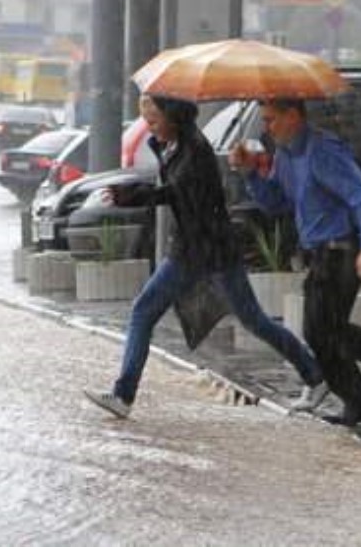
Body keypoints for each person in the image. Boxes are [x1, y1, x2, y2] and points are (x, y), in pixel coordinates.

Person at [83, 95, 328, 419]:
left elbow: (176, 192)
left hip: (201, 250)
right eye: (147, 122)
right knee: (253, 319)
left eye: (154, 121)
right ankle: (314, 374)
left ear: (172, 117)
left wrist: (133, 194)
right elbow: (172, 188)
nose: (150, 129)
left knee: (145, 310)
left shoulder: (195, 152)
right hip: (202, 248)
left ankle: (123, 396)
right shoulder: (177, 145)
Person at [229, 98, 361, 438]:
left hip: (341, 253)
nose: (266, 128)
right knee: (325, 333)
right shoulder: (287, 154)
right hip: (319, 255)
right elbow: (277, 203)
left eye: (271, 119)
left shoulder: (323, 151)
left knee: (321, 333)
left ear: (293, 116)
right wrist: (250, 173)